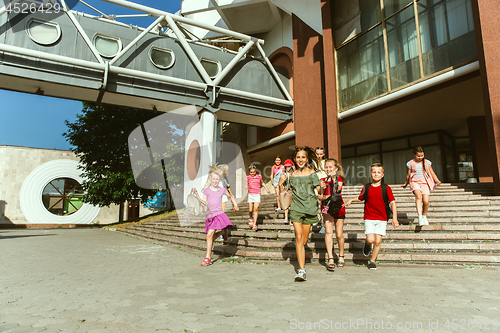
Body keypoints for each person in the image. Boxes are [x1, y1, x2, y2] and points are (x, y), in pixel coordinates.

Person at [344, 163, 399, 270]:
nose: (376, 174)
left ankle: (372, 261)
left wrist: (395, 218)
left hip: (382, 218)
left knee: (378, 241)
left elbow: (392, 203)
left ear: (382, 174)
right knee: (370, 239)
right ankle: (367, 245)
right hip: (369, 217)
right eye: (374, 172)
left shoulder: (386, 188)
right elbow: (361, 198)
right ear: (370, 174)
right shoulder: (367, 187)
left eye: (379, 172)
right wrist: (351, 200)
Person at [280, 146, 320, 281]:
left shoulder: (312, 174)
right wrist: (281, 184)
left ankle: (300, 254)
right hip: (296, 208)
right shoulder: (291, 175)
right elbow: (286, 191)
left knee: (303, 240)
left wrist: (323, 188)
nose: (300, 160)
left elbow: (319, 189)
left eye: (303, 157)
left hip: (309, 209)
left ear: (307, 159)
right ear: (295, 159)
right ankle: (301, 270)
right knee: (298, 237)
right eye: (298, 157)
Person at [192, 165, 239, 266]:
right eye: (213, 179)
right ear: (210, 179)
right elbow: (203, 203)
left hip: (218, 214)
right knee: (210, 237)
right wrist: (197, 196)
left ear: (220, 179)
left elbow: (231, 196)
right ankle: (222, 232)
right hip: (210, 215)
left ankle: (208, 258)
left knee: (209, 235)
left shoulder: (222, 190)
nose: (215, 181)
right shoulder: (206, 190)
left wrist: (235, 204)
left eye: (217, 179)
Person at [402, 147, 441, 226]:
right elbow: (408, 175)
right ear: (414, 155)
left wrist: (437, 180)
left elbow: (432, 172)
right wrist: (406, 183)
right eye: (418, 156)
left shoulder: (427, 162)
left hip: (425, 182)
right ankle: (420, 216)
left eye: (422, 155)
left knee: (426, 201)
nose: (420, 158)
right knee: (418, 197)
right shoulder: (410, 163)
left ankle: (424, 216)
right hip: (415, 182)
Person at [318, 159, 345, 271]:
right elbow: (319, 196)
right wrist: (322, 190)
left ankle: (341, 255)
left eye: (330, 167)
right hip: (327, 208)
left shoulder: (339, 179)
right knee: (328, 231)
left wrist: (332, 179)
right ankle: (330, 258)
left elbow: (337, 189)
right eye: (326, 167)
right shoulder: (322, 180)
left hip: (338, 207)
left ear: (336, 168)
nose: (328, 169)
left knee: (339, 234)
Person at [246, 164, 271, 231]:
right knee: (250, 210)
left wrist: (267, 189)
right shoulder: (248, 177)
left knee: (256, 209)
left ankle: (254, 224)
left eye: (253, 172)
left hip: (257, 194)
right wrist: (246, 186)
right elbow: (247, 183)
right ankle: (251, 218)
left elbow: (262, 183)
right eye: (251, 172)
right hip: (251, 194)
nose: (252, 173)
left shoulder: (259, 176)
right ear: (249, 172)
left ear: (256, 171)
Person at [281, 159, 295, 224]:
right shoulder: (284, 174)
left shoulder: (294, 173)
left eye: (289, 166)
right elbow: (282, 182)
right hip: (286, 190)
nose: (288, 168)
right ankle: (286, 218)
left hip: (293, 190)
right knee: (286, 204)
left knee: (291, 205)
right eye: (286, 166)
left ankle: (291, 219)